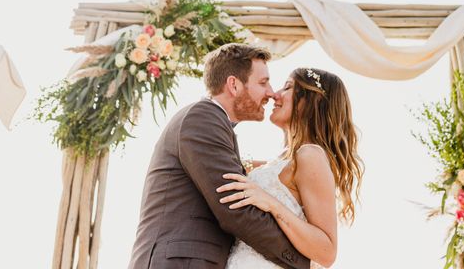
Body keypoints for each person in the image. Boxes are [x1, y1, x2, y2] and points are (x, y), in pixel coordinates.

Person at [128, 43, 309, 269]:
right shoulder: (202, 118)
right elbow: (235, 209)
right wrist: (304, 261)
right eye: (263, 82)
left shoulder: (213, 123)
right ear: (233, 85)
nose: (271, 93)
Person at [219, 68, 364, 268]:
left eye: (287, 87)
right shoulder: (275, 163)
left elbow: (326, 252)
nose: (275, 95)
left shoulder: (310, 155)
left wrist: (271, 204)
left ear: (311, 101)